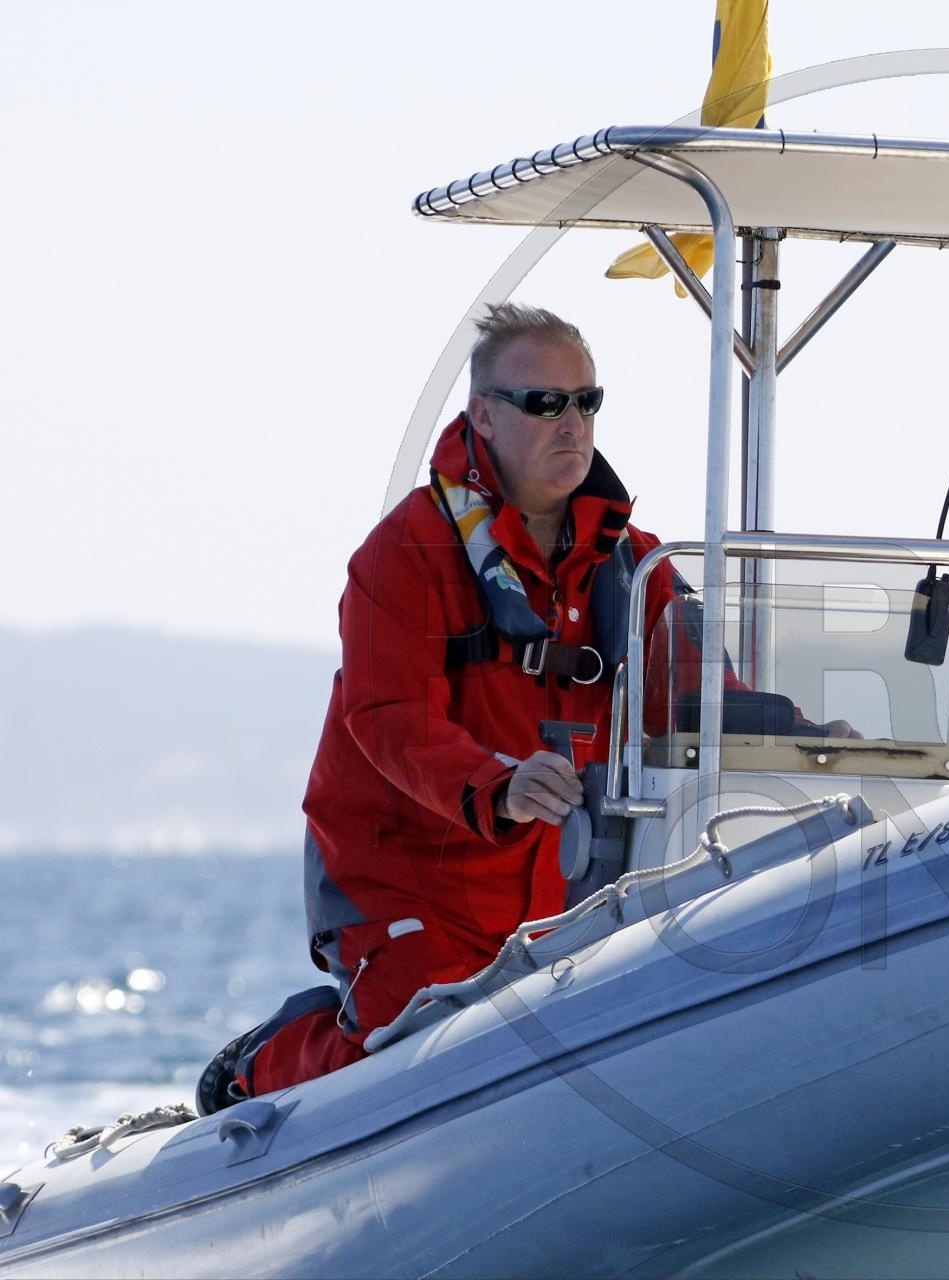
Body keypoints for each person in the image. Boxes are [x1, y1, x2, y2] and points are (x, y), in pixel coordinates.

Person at [198, 303, 842, 1112]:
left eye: (586, 401)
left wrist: (815, 742)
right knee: (411, 1053)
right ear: (484, 416)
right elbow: (388, 717)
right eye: (545, 403)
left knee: (525, 1054)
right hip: (399, 875)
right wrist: (497, 784)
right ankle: (263, 1060)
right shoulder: (403, 552)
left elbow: (701, 699)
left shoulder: (636, 563)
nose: (571, 423)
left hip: (556, 882)